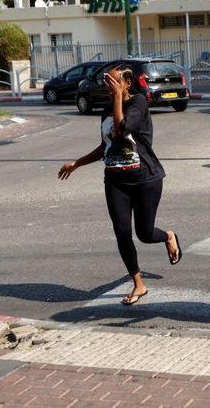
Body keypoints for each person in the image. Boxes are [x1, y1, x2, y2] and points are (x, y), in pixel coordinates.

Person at [58, 63, 181, 305]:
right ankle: (138, 284)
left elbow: (122, 128)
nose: (108, 86)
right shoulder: (106, 110)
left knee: (144, 234)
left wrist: (117, 99)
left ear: (126, 82)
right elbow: (106, 146)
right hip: (115, 181)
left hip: (146, 179)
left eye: (113, 82)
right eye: (106, 83)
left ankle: (168, 236)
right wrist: (77, 163)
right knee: (122, 232)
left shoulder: (138, 104)